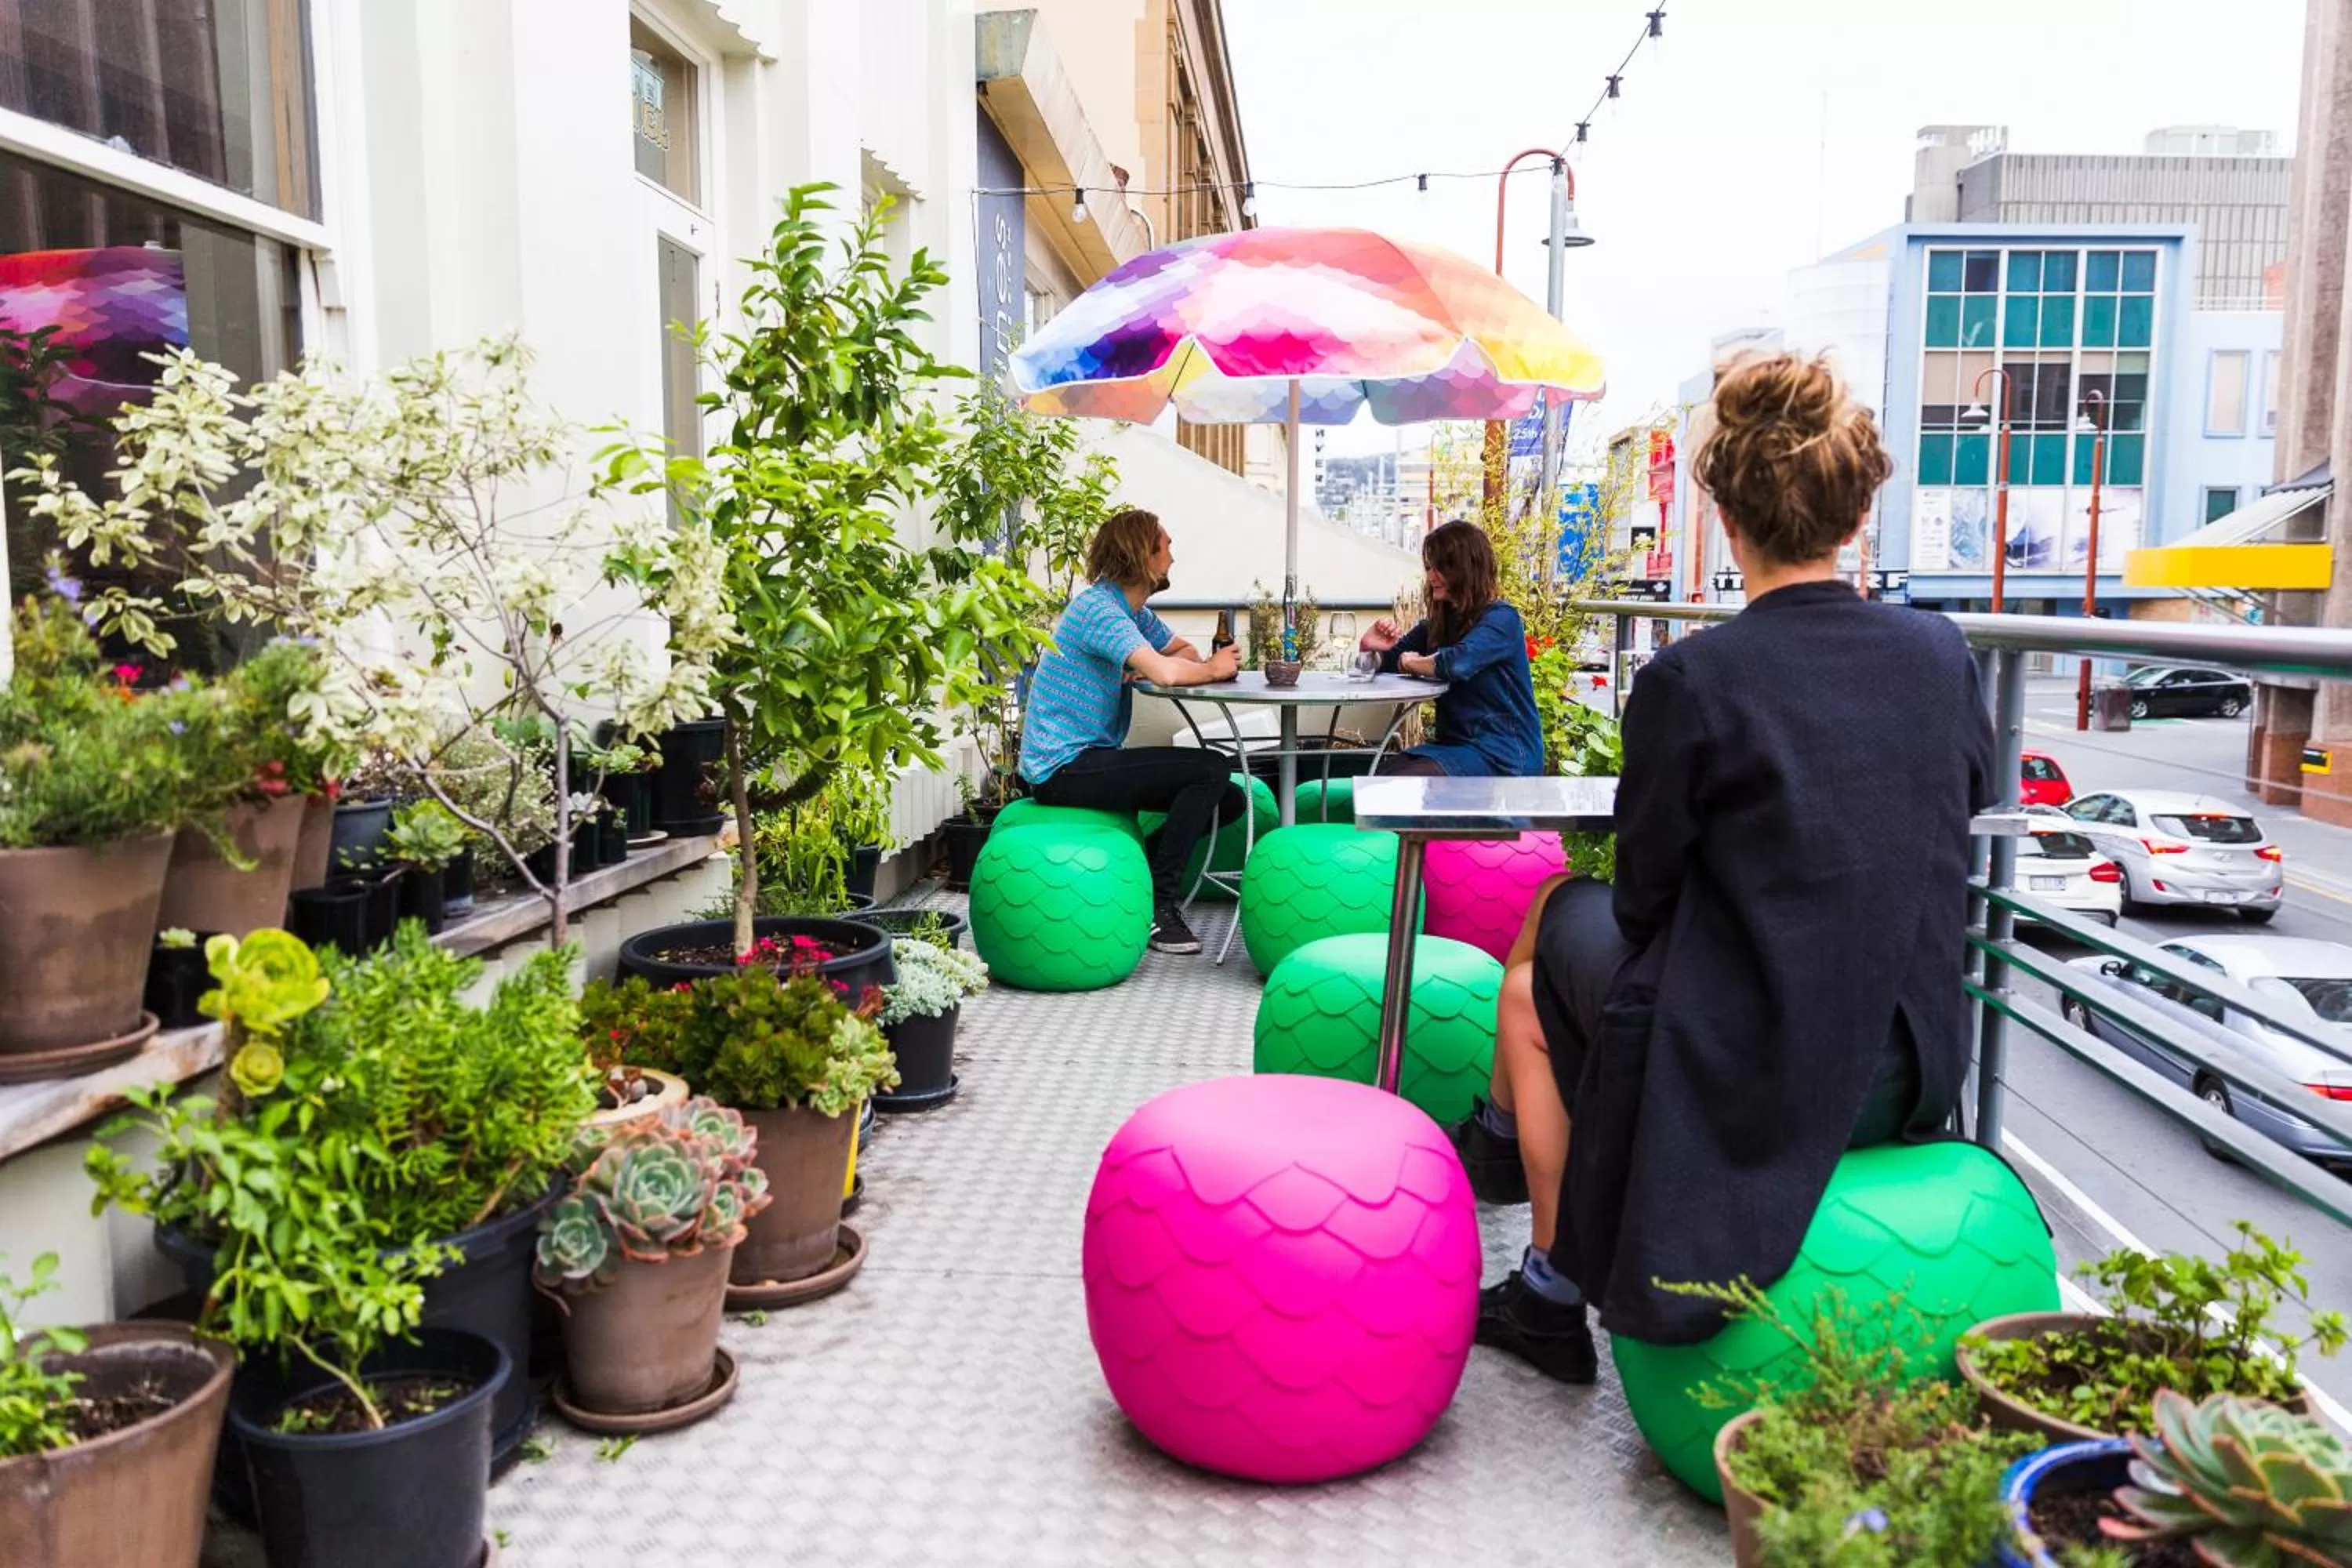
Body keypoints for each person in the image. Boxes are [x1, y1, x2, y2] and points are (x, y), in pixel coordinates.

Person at [1447, 351, 1997, 1382]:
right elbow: (1951, 808)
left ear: (1729, 521)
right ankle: (1511, 1180)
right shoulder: (1941, 655)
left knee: (1533, 976)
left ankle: (1550, 1294)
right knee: (1570, 936)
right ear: (1854, 516)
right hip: (1907, 1065)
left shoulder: (1694, 679)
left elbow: (1649, 899)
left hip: (1762, 1077)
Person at [1019, 508, 1244, 956]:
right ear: (1145, 555)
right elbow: (1167, 671)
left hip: (1087, 758)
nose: (1173, 558)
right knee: (1209, 770)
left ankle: (1139, 873)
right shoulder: (1098, 610)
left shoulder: (1130, 612)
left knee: (1230, 798)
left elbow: (1179, 650)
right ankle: (1159, 908)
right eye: (1167, 546)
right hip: (1062, 767)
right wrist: (1212, 670)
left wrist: (1186, 665)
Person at [1357, 521, 1543, 777]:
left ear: (1467, 569)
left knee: (1401, 780)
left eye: (1441, 568)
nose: (1431, 577)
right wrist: (1369, 650)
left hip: (1505, 752)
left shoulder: (1502, 619)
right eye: (1430, 568)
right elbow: (1381, 665)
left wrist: (1410, 663)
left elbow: (1457, 663)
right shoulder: (1437, 626)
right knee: (1383, 773)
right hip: (1456, 747)